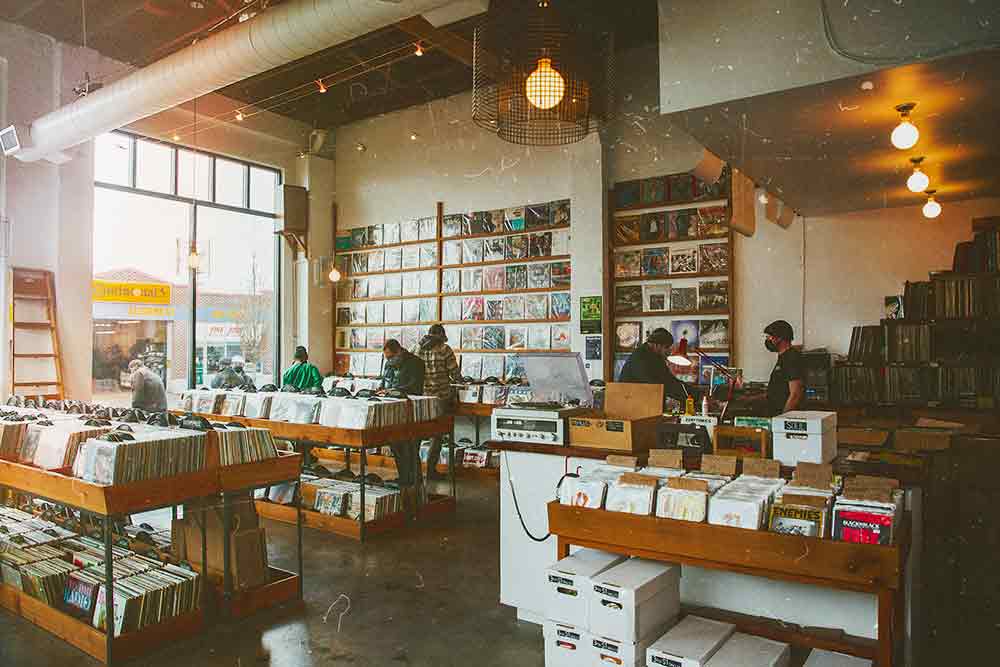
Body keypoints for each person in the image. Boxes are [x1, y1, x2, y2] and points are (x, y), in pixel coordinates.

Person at [414, 324, 461, 480]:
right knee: (437, 435)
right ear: (441, 334)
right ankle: (431, 470)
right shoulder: (444, 350)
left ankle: (416, 471)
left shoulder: (417, 348)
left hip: (422, 398)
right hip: (441, 397)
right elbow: (455, 373)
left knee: (419, 434)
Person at [379, 339, 426, 489]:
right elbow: (385, 380)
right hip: (392, 409)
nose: (389, 360)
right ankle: (404, 477)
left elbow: (415, 385)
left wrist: (394, 390)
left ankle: (415, 479)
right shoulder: (389, 364)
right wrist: (381, 389)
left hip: (410, 409)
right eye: (387, 358)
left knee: (411, 446)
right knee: (396, 445)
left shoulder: (416, 363)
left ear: (399, 351)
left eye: (391, 357)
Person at [618, 328, 689, 402]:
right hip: (629, 403)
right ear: (656, 345)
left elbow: (669, 380)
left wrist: (692, 392)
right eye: (666, 347)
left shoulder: (656, 357)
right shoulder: (640, 357)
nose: (669, 351)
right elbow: (655, 385)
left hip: (641, 402)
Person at [763, 319, 805, 415]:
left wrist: (782, 420)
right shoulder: (783, 357)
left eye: (769, 337)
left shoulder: (792, 358)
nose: (767, 340)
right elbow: (776, 392)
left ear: (779, 338)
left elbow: (795, 394)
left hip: (783, 420)